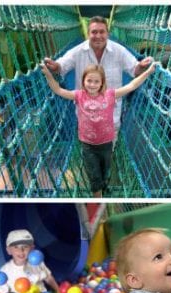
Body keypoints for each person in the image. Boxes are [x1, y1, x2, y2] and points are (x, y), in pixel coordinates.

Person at [41, 62, 155, 197]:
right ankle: (98, 196)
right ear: (83, 81)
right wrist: (48, 74)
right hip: (87, 144)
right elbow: (58, 90)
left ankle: (103, 186)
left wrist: (148, 72)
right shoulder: (79, 95)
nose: (92, 84)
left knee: (104, 170)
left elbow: (132, 85)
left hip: (106, 142)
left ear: (102, 83)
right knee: (94, 175)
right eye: (89, 80)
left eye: (96, 81)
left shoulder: (110, 95)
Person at [43, 16, 153, 134]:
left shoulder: (119, 51)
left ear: (108, 33)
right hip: (86, 118)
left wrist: (141, 66)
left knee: (109, 146)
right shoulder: (78, 51)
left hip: (111, 117)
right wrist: (55, 67)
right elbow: (62, 65)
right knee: (87, 147)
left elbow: (134, 69)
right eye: (94, 32)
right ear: (88, 33)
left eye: (102, 32)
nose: (98, 36)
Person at [0, 229, 59, 293]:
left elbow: (48, 278)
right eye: (16, 247)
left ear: (32, 248)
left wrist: (58, 292)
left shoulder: (37, 263)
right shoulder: (5, 270)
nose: (21, 250)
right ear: (9, 250)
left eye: (25, 247)